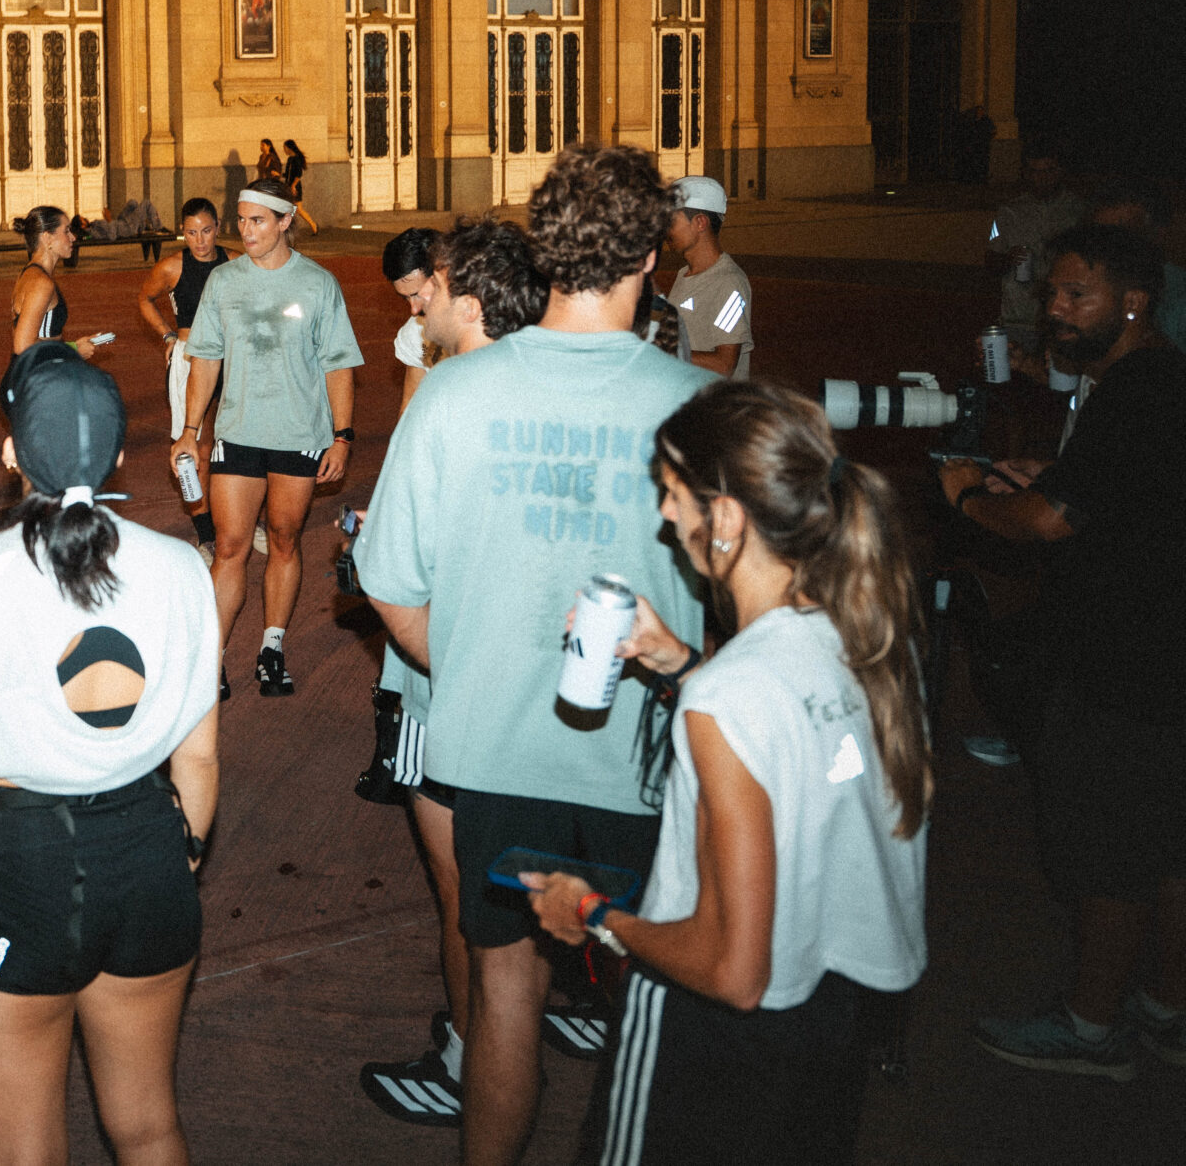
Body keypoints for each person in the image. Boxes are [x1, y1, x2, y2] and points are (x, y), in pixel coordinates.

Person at [354, 143, 709, 1166]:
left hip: (496, 751)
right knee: (652, 989)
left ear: (545, 246)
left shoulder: (451, 398)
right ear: (652, 253)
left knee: (501, 983)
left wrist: (461, 665)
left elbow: (387, 583)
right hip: (645, 760)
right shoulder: (697, 408)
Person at [526, 380, 931, 1164]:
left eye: (674, 495)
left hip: (710, 1044)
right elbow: (796, 743)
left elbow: (734, 968)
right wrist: (677, 659)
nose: (665, 516)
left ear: (729, 517)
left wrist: (597, 915)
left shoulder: (728, 698)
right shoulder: (874, 638)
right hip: (831, 1023)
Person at [0, 342, 221, 1166]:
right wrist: (180, 851)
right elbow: (201, 760)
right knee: (148, 1123)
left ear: (11, 455)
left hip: (19, 865)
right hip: (149, 846)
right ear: (119, 455)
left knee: (22, 1150)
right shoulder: (185, 568)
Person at [942, 224, 1186, 1078]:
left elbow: (1054, 524)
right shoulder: (1148, 381)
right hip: (1158, 655)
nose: (1055, 309)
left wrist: (972, 497)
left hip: (1122, 662)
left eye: (1076, 294)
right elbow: (1113, 495)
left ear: (1134, 300)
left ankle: (1089, 1028)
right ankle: (1164, 1006)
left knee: (1107, 851)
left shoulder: (1135, 389)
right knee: (1163, 843)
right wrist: (1043, 473)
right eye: (1051, 293)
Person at [356, 217, 549, 1130]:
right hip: (542, 689)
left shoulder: (445, 398)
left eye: (430, 281)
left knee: (464, 892)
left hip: (448, 683)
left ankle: (474, 1055)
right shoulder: (554, 381)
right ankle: (511, 1026)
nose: (417, 296)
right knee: (519, 883)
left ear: (468, 297)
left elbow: (389, 576)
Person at [167, 179, 362, 699]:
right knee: (229, 547)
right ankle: (212, 657)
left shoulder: (318, 284)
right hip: (238, 431)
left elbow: (338, 364)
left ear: (284, 222)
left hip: (300, 434)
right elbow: (204, 360)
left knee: (283, 539)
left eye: (257, 220)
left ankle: (271, 649)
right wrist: (190, 433)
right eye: (242, 220)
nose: (245, 230)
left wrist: (341, 438)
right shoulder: (224, 283)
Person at [137, 199, 227, 561]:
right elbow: (144, 298)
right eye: (191, 232)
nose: (200, 240)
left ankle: (237, 515)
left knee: (234, 443)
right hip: (190, 359)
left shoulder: (234, 261)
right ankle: (206, 534)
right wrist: (167, 335)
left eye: (206, 231)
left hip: (230, 358)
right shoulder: (173, 265)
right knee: (196, 448)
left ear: (217, 228)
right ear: (182, 232)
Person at [987, 144, 1085, 332]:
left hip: (1064, 319)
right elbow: (990, 259)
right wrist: (1008, 259)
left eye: (1049, 170)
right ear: (1025, 173)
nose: (1041, 178)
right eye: (1034, 171)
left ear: (1060, 171)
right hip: (1018, 318)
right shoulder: (1007, 213)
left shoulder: (1078, 211)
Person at [665, 177, 754, 380]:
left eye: (671, 220)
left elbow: (724, 365)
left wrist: (662, 351)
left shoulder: (730, 284)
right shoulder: (684, 275)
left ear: (700, 222)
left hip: (716, 408)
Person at [1087, 177, 1186, 349]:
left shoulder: (1178, 295)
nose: (1109, 245)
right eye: (1100, 234)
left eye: (1123, 234)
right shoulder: (1091, 285)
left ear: (1157, 234)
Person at [9, 205, 98, 359]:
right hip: (37, 376)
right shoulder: (41, 283)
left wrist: (73, 346)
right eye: (66, 231)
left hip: (39, 372)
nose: (73, 237)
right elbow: (22, 346)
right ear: (47, 238)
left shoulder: (30, 274)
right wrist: (72, 350)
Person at [382, 227, 442, 415]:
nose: (413, 309)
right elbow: (411, 404)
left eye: (418, 294)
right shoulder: (415, 331)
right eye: (405, 298)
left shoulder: (493, 323)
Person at [281, 140, 318, 235]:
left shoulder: (296, 159)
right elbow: (288, 174)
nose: (284, 150)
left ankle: (312, 225)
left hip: (295, 187)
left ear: (289, 148)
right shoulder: (290, 159)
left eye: (285, 148)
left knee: (296, 209)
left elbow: (298, 174)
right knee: (293, 208)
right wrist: (280, 175)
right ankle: (311, 225)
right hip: (289, 186)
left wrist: (293, 186)